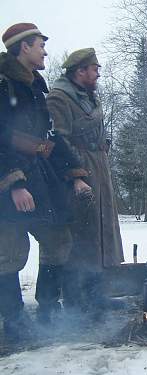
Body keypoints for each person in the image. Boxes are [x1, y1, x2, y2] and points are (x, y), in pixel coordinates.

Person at [0, 23, 89, 342]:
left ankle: (50, 310)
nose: (45, 51)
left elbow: (50, 136)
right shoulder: (3, 84)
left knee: (57, 240)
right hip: (8, 180)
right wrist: (13, 183)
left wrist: (75, 173)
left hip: (40, 176)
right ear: (24, 47)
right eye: (40, 45)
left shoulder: (36, 86)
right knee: (10, 251)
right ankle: (13, 322)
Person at [46, 48, 124, 314]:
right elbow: (59, 140)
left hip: (99, 167)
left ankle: (97, 294)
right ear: (80, 71)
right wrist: (76, 175)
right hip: (79, 172)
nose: (98, 73)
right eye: (94, 69)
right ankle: (77, 300)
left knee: (102, 234)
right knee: (82, 236)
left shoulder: (89, 96)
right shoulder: (59, 98)